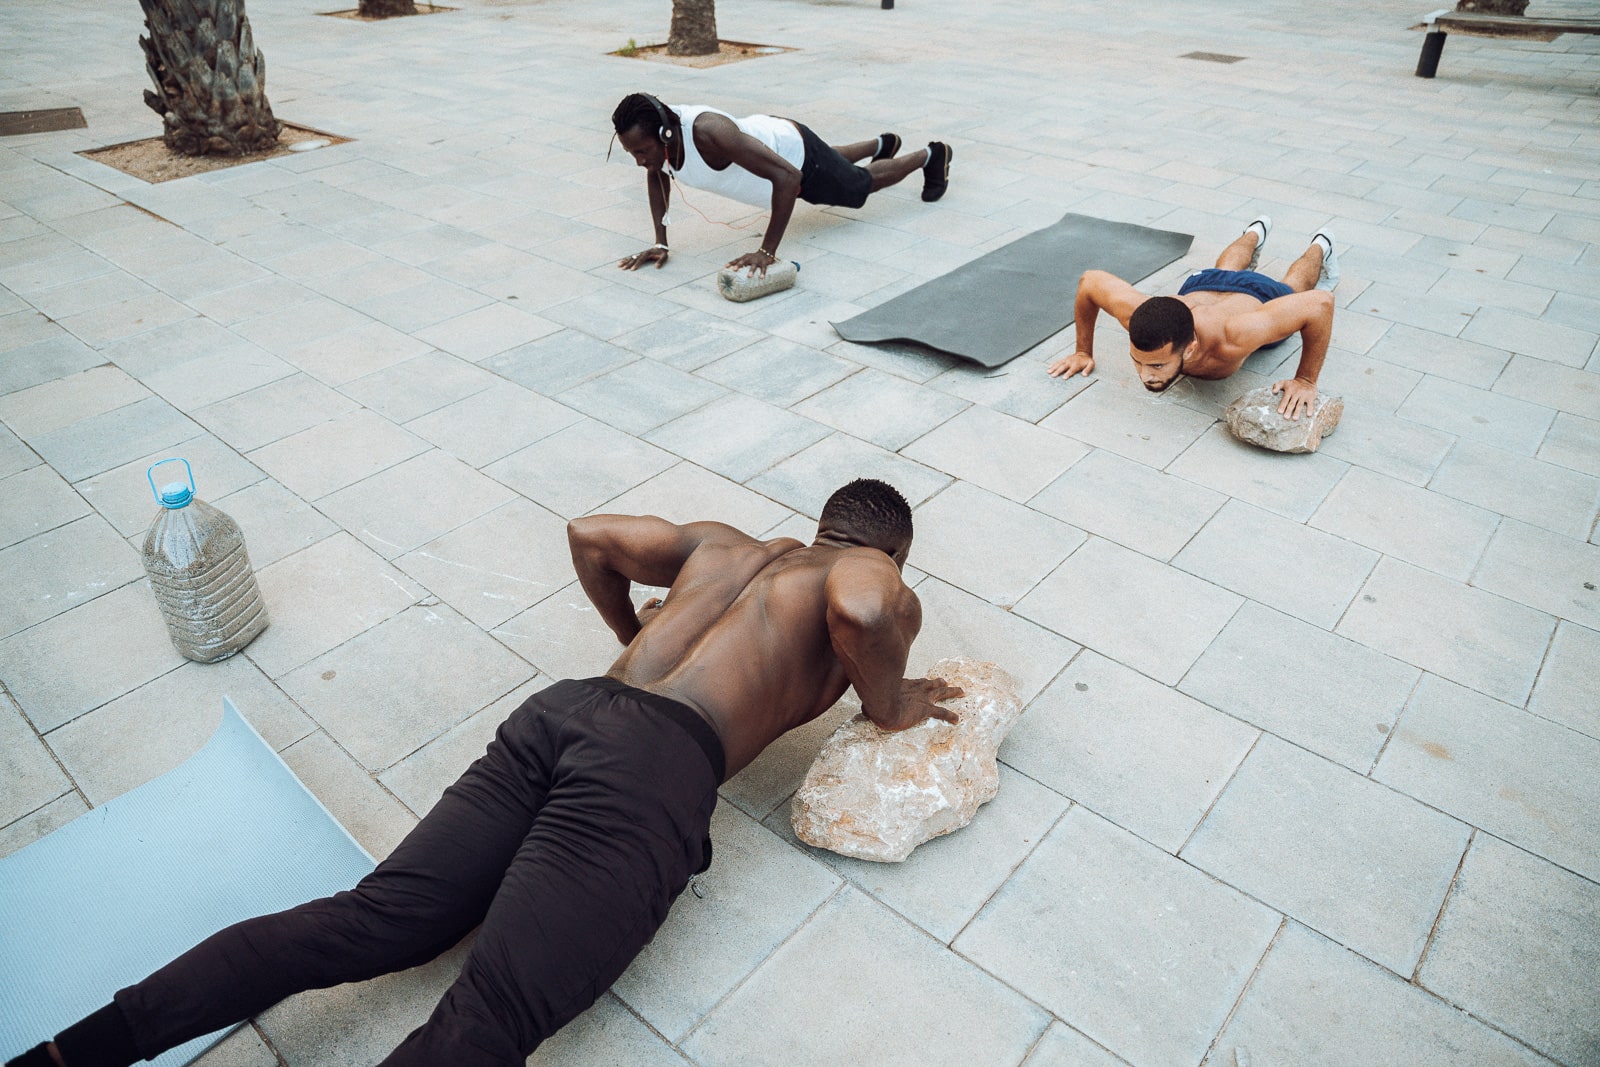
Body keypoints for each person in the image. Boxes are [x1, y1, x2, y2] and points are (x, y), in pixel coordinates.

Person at [10, 479, 961, 1067]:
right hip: (650, 771)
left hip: (563, 714)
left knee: (368, 919)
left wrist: (638, 645)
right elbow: (869, 611)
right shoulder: (872, 573)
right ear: (891, 547)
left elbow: (590, 531)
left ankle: (74, 1051)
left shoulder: (724, 543)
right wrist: (890, 702)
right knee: (491, 1014)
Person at [610, 92, 952, 277]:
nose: (640, 160)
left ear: (664, 133)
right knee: (831, 159)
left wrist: (766, 251)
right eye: (632, 153)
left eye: (642, 151)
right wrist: (661, 242)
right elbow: (656, 175)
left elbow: (789, 177)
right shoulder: (661, 147)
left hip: (797, 157)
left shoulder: (709, 133)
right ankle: (880, 145)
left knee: (859, 187)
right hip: (777, 140)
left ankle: (931, 155)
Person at [1045, 217, 1341, 420]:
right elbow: (1091, 281)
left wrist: (1305, 379)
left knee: (1295, 286)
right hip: (1201, 289)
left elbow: (1320, 304)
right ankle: (1254, 232)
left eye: (1157, 365)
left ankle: (1320, 245)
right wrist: (1083, 350)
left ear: (1190, 348)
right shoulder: (1140, 314)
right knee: (1223, 270)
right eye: (1138, 361)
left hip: (1258, 298)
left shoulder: (1237, 335)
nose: (1144, 375)